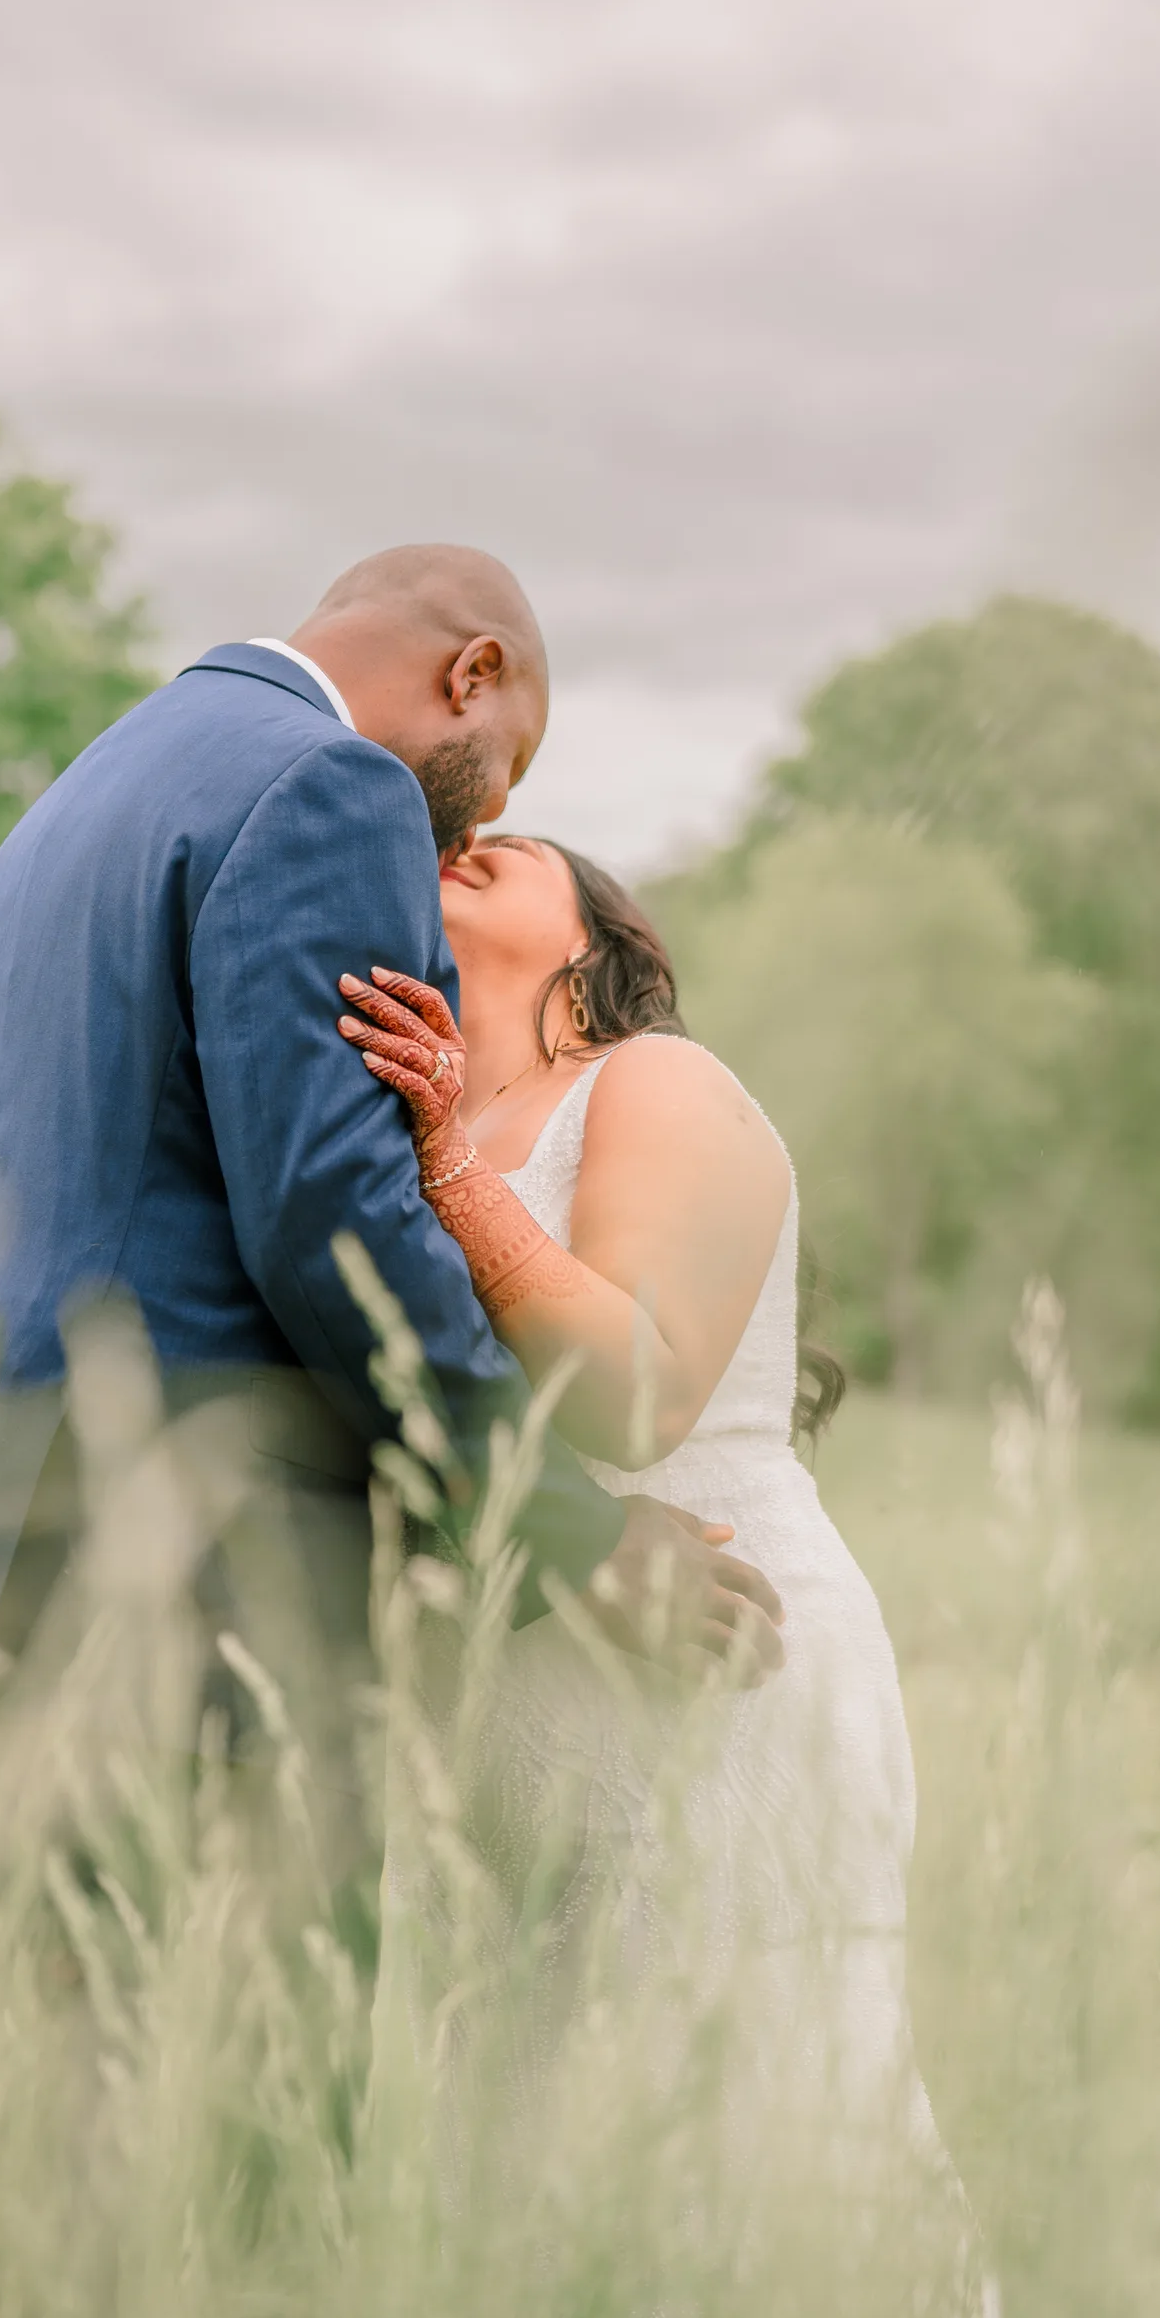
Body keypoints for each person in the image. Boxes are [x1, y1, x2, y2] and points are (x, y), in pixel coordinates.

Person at [0, 547, 785, 1923]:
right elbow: (329, 1227)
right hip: (159, 1606)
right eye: (508, 769)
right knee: (211, 2133)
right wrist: (577, 1541)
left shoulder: (83, 790)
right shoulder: (329, 781)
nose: (474, 833)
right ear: (470, 674)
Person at [331, 833, 931, 2142]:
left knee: (731, 2126)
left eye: (511, 848)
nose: (461, 845)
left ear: (610, 954)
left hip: (701, 1669)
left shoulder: (654, 1080)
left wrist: (446, 1159)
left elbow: (633, 1397)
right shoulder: (380, 1121)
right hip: (489, 1721)